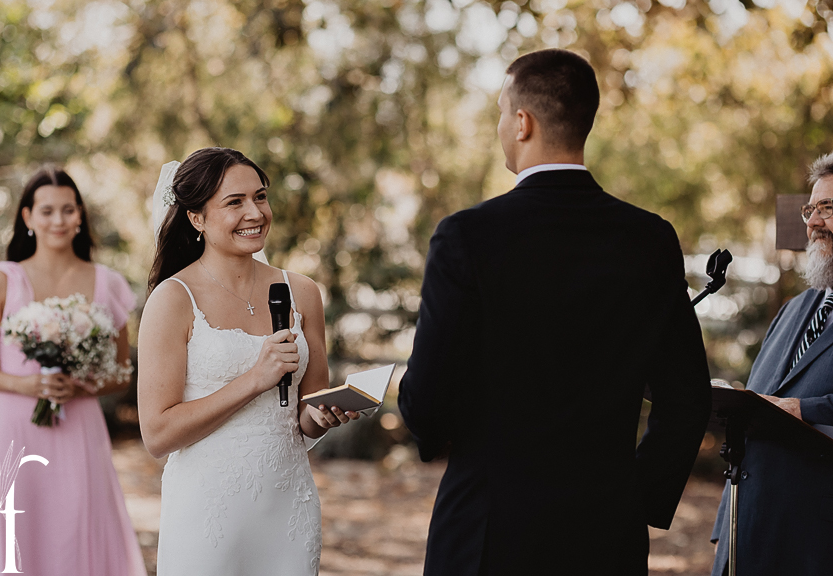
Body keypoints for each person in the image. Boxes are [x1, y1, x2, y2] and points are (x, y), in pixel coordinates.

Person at [398, 49, 713, 576]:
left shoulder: (467, 236)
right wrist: (637, 501)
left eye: (501, 112)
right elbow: (686, 397)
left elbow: (425, 400)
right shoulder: (649, 239)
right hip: (607, 532)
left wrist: (433, 426)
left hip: (487, 527)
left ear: (522, 122)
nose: (500, 125)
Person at [138, 147, 357, 576]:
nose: (254, 212)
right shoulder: (173, 299)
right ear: (196, 218)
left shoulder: (303, 292)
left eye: (259, 197)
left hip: (288, 505)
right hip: (208, 513)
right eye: (234, 202)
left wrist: (325, 413)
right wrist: (254, 379)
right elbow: (158, 434)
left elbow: (303, 416)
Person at [0, 167, 146, 576]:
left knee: (76, 529)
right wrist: (25, 383)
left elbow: (121, 372)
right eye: (47, 211)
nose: (58, 220)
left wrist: (82, 386)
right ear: (27, 217)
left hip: (79, 429)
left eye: (68, 210)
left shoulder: (107, 282)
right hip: (11, 428)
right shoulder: (4, 279)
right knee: (14, 534)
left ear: (80, 215)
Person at [710, 152, 833, 576]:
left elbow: (795, 407)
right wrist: (723, 532)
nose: (814, 222)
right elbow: (754, 408)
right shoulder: (795, 308)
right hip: (745, 535)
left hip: (814, 545)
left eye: (828, 208)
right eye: (810, 209)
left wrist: (804, 410)